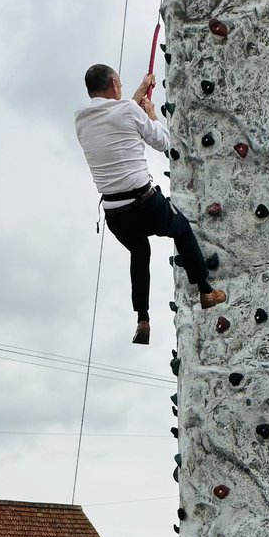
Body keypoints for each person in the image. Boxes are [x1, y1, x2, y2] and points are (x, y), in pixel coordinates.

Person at [75, 64, 227, 345]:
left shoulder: (82, 119)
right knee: (180, 228)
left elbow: (118, 115)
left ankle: (142, 318)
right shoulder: (128, 111)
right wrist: (153, 115)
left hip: (114, 212)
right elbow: (164, 142)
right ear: (113, 82)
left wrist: (140, 91)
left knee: (139, 250)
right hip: (143, 201)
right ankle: (205, 290)